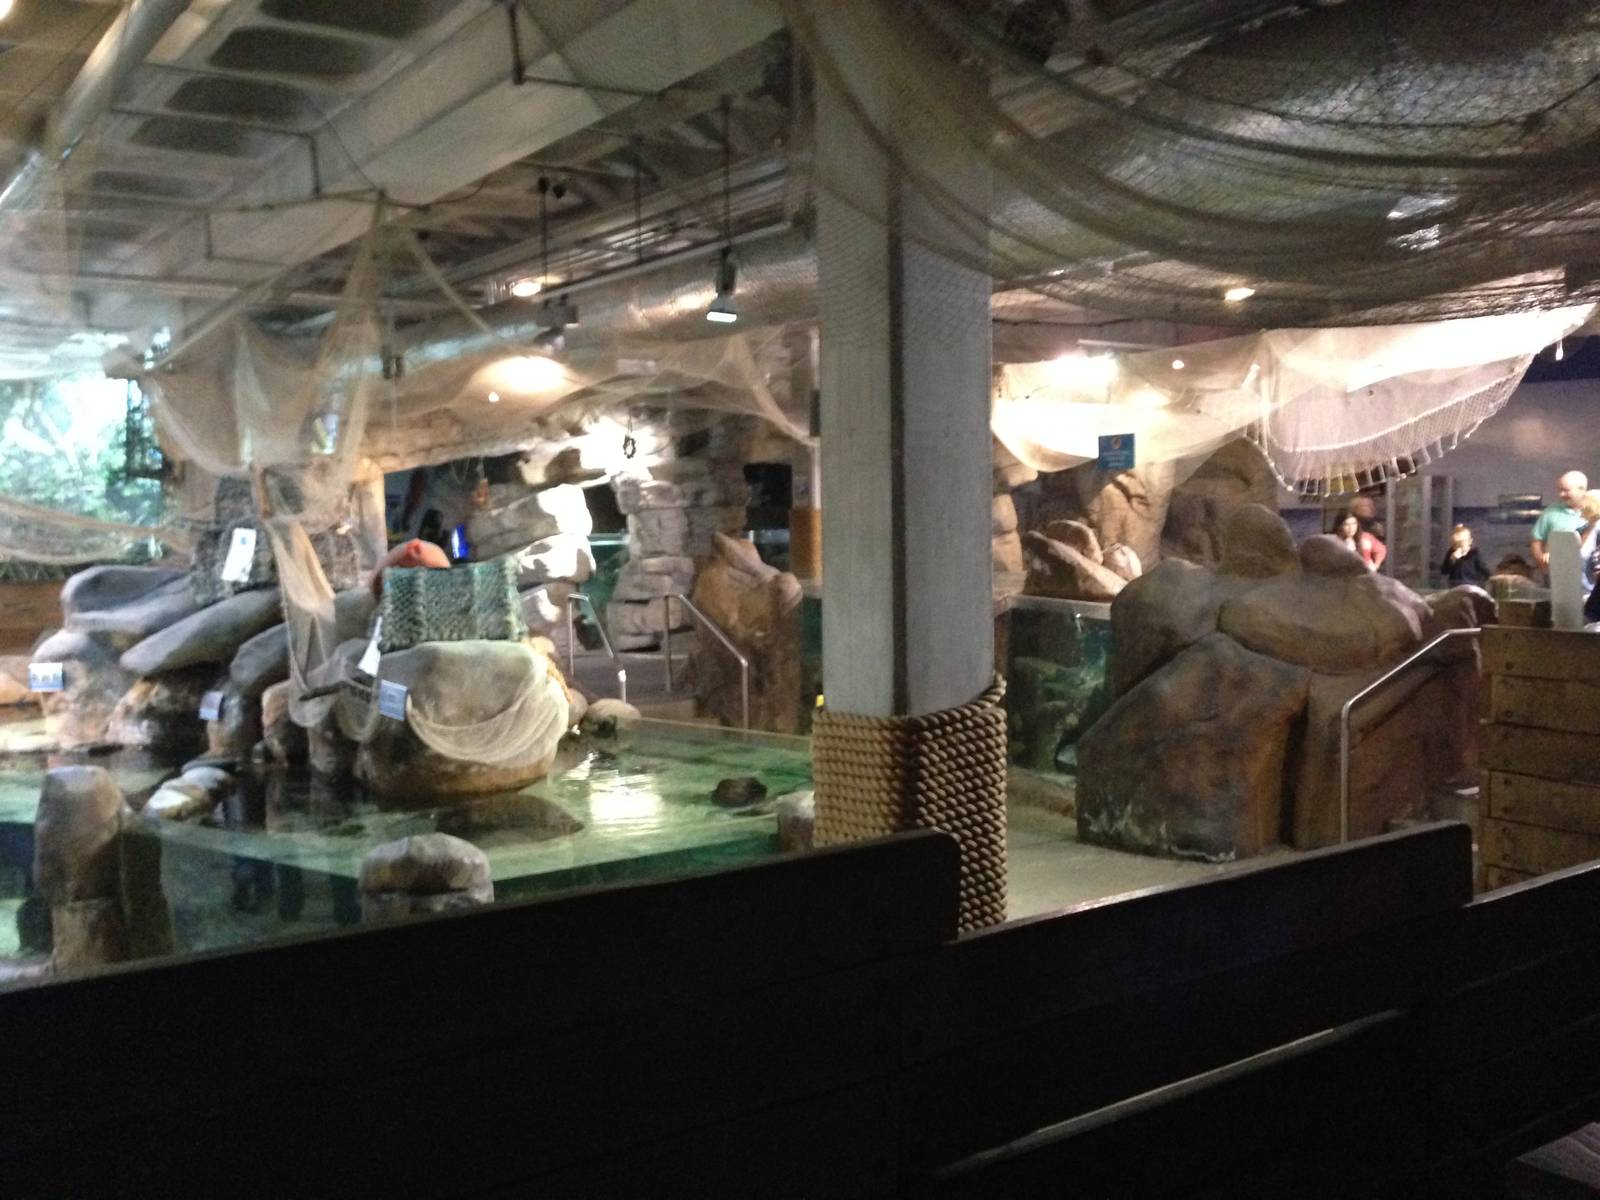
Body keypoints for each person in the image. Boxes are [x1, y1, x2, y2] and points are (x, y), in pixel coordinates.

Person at [1530, 470, 1589, 574]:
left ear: (1581, 490)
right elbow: (1536, 541)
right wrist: (1542, 561)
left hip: (1588, 574)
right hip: (1557, 572)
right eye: (1560, 490)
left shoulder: (1595, 512)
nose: (1561, 494)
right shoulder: (1550, 512)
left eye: (1566, 490)